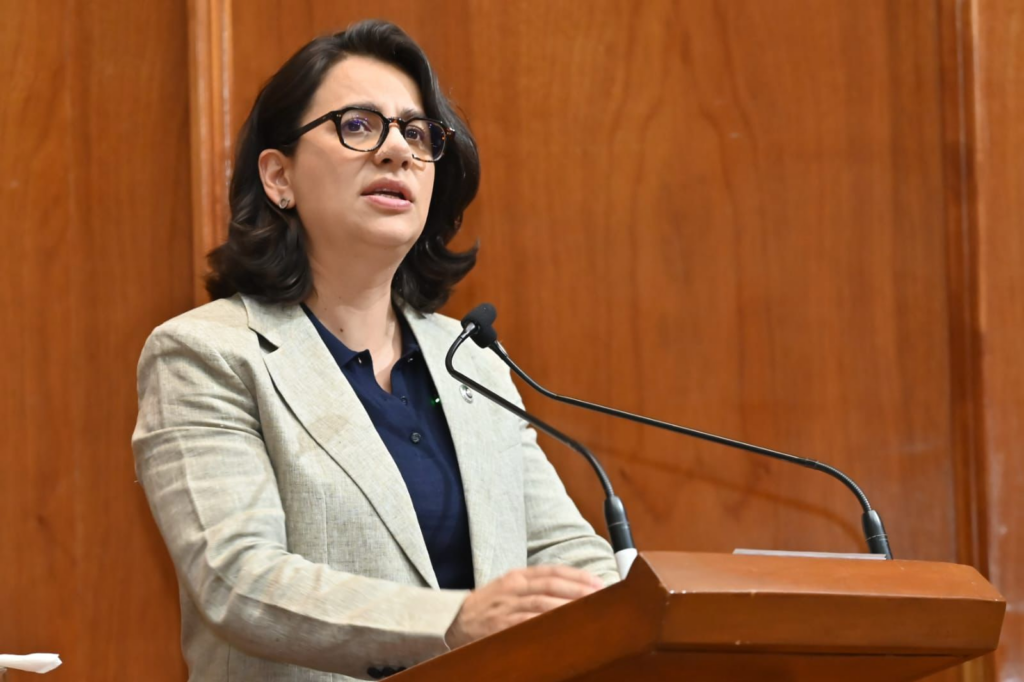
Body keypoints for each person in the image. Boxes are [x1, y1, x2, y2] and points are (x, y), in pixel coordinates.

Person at [132, 19, 618, 682]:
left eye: (416, 134)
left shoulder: (470, 359)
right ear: (278, 177)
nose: (397, 151)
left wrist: (637, 613)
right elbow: (239, 580)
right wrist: (454, 620)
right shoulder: (206, 354)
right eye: (357, 126)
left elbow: (563, 552)